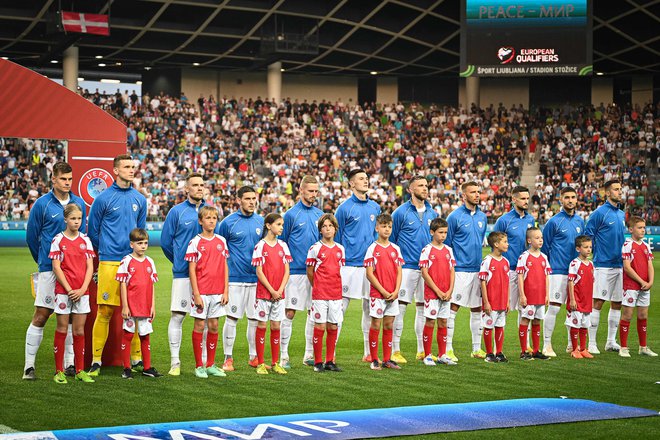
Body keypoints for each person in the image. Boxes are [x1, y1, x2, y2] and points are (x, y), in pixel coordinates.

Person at [24, 162, 86, 380]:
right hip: (49, 270)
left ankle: (70, 364)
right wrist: (43, 262)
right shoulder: (42, 204)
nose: (67, 183)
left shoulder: (79, 203)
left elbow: (82, 236)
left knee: (70, 318)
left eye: (70, 179)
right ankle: (29, 367)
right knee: (42, 315)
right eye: (63, 179)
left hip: (74, 272)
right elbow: (32, 237)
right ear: (53, 179)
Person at [88, 154, 147, 376]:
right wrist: (106, 249)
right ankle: (96, 360)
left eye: (133, 167)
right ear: (115, 170)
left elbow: (140, 232)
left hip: (132, 262)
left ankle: (137, 358)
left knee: (134, 312)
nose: (131, 170)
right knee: (104, 311)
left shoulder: (140, 199)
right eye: (126, 167)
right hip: (109, 261)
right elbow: (93, 231)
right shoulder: (102, 199)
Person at [161, 173, 218, 376]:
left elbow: (214, 239)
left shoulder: (209, 212)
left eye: (202, 185)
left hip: (207, 277)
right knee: (178, 315)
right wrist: (179, 261)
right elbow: (166, 243)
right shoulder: (176, 212)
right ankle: (175, 363)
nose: (199, 188)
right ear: (187, 189)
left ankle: (202, 363)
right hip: (184, 275)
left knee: (204, 319)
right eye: (195, 185)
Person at [391, 175, 437, 364]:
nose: (425, 189)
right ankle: (395, 350)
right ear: (410, 189)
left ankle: (421, 350)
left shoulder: (433, 214)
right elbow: (391, 241)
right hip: (407, 267)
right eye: (420, 186)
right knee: (400, 309)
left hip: (426, 268)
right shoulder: (400, 213)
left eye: (426, 185)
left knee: (422, 309)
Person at [335, 168, 380, 362]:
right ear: (352, 183)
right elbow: (336, 238)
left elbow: (377, 235)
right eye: (361, 179)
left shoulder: (375, 207)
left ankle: (368, 353)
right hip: (349, 266)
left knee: (369, 309)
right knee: (339, 309)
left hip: (369, 266)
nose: (365, 181)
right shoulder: (344, 208)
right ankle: (331, 353)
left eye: (367, 178)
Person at [218, 186, 264, 371]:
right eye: (247, 198)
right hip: (235, 279)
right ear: (239, 200)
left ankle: (254, 357)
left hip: (255, 279)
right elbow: (220, 252)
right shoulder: (228, 223)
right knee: (232, 318)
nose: (252, 202)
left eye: (254, 198)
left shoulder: (261, 221)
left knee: (254, 319)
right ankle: (228, 358)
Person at [49, 203, 95, 384]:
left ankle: (80, 370)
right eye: (73, 219)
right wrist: (69, 289)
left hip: (82, 292)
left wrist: (83, 289)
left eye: (79, 219)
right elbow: (56, 267)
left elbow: (90, 267)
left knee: (79, 331)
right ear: (66, 219)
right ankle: (59, 371)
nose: (76, 222)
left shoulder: (86, 240)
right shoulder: (58, 240)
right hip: (63, 292)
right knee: (61, 329)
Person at [280, 176, 322, 368]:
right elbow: (282, 243)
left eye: (316, 191)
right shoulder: (290, 215)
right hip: (296, 271)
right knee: (289, 312)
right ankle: (283, 356)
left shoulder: (320, 215)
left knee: (313, 313)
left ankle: (308, 355)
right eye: (310, 191)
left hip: (315, 273)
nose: (314, 194)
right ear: (301, 190)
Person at [445, 181, 488, 362]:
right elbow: (446, 245)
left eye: (478, 192)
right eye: (473, 192)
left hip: (477, 269)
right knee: (452, 309)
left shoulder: (482, 217)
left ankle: (476, 349)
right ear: (464, 196)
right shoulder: (454, 217)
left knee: (477, 310)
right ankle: (448, 349)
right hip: (460, 270)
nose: (477, 195)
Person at [185, 206, 229, 378]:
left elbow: (225, 267)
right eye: (208, 217)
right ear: (200, 221)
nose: (211, 220)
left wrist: (226, 290)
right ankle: (198, 366)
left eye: (214, 217)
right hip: (202, 291)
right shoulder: (195, 242)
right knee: (199, 325)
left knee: (214, 325)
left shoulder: (221, 241)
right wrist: (196, 293)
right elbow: (192, 269)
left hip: (218, 291)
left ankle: (210, 364)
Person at [541, 187, 585, 357]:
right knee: (554, 308)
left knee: (574, 309)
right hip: (558, 271)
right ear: (561, 200)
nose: (570, 200)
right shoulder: (553, 222)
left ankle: (571, 345)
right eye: (567, 197)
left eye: (573, 197)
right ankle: (547, 345)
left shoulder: (580, 221)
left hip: (576, 272)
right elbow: (545, 248)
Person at [585, 179, 626, 354]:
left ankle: (611, 341)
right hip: (602, 265)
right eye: (616, 189)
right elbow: (588, 236)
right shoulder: (598, 213)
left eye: (620, 189)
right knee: (598, 302)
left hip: (620, 265)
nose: (619, 192)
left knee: (617, 303)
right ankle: (592, 343)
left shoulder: (621, 214)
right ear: (608, 193)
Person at [493, 186, 535, 352]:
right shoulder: (504, 220)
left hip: (526, 271)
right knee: (503, 308)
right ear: (514, 199)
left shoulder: (531, 219)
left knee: (526, 308)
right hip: (509, 270)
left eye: (527, 198)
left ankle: (526, 346)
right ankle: (497, 349)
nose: (526, 201)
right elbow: (495, 244)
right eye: (522, 198)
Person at [116, 228, 162, 378]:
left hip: (145, 306)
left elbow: (152, 285)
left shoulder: (150, 262)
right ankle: (127, 368)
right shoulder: (126, 261)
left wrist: (153, 306)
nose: (143, 246)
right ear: (132, 244)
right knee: (128, 335)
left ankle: (147, 368)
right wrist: (125, 305)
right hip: (131, 306)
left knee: (145, 335)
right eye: (139, 243)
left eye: (145, 243)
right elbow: (122, 284)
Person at [251, 213, 292, 375]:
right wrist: (272, 290)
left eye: (282, 224)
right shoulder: (260, 246)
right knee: (262, 325)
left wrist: (280, 290)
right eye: (278, 224)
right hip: (264, 294)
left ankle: (275, 363)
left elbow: (287, 271)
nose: (281, 227)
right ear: (268, 226)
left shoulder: (283, 246)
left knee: (276, 326)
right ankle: (261, 363)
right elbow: (259, 272)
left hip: (279, 294)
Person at [364, 214, 404, 371]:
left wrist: (395, 291)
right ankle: (374, 359)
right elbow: (369, 273)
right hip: (377, 295)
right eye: (383, 226)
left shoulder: (396, 249)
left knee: (389, 325)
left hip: (392, 295)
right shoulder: (372, 249)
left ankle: (387, 359)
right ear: (377, 228)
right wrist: (382, 290)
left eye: (389, 226)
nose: (387, 229)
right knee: (376, 324)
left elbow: (399, 272)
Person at [306, 214, 345, 373]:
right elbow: (310, 272)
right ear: (320, 230)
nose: (327, 229)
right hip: (320, 294)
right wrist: (318, 286)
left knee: (333, 326)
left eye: (330, 226)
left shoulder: (340, 249)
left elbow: (338, 271)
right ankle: (317, 362)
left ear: (335, 228)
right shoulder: (315, 248)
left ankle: (330, 360)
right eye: (324, 226)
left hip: (336, 293)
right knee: (320, 326)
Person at [419, 218, 457, 366]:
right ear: (432, 232)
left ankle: (442, 354)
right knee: (430, 322)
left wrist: (449, 290)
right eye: (440, 232)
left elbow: (452, 271)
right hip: (432, 295)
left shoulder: (449, 250)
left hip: (446, 294)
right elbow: (424, 273)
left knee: (443, 322)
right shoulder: (426, 250)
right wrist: (437, 290)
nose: (443, 235)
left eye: (445, 233)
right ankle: (427, 355)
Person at [619, 216, 656, 357]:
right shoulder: (628, 244)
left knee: (643, 315)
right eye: (639, 227)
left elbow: (650, 265)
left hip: (645, 286)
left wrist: (650, 282)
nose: (642, 230)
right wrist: (641, 281)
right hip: (631, 286)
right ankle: (623, 347)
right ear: (631, 229)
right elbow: (627, 268)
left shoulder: (646, 246)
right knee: (627, 315)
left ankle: (643, 347)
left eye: (644, 228)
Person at [516, 228, 551, 361]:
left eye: (541, 237)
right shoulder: (524, 257)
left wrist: (547, 295)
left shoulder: (544, 257)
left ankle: (536, 350)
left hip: (540, 296)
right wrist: (522, 295)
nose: (540, 240)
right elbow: (520, 277)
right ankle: (524, 350)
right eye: (537, 238)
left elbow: (546, 277)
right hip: (529, 296)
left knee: (537, 321)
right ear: (529, 240)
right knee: (525, 320)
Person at [479, 231, 510, 363]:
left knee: (500, 326)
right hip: (491, 302)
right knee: (488, 326)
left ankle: (499, 352)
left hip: (502, 302)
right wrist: (486, 302)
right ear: (496, 244)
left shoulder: (506, 262)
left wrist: (507, 301)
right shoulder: (487, 261)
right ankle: (489, 353)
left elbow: (507, 283)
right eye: (505, 242)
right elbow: (482, 282)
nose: (507, 244)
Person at [566, 235, 595, 359]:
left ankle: (583, 349)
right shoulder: (574, 263)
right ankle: (574, 349)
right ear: (578, 249)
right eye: (585, 247)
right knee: (575, 325)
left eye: (590, 247)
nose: (588, 250)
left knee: (585, 325)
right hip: (577, 301)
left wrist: (591, 299)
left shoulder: (591, 265)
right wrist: (572, 299)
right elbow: (571, 282)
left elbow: (591, 283)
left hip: (587, 301)